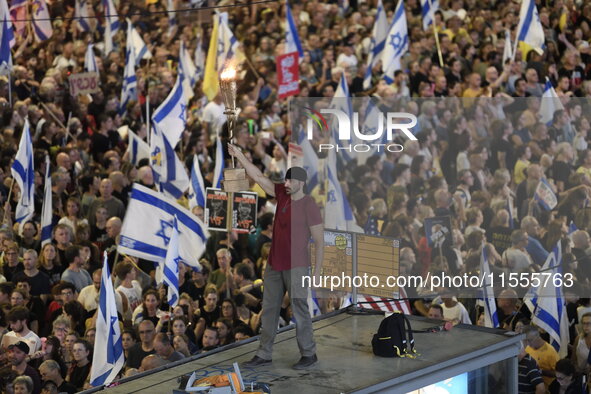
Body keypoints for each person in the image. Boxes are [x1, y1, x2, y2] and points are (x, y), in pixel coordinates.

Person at [229, 145, 324, 370]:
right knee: (269, 308)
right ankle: (264, 353)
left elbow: (320, 240)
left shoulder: (309, 205)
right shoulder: (282, 193)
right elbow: (259, 176)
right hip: (274, 264)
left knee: (300, 309)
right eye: (286, 181)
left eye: (290, 181)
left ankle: (309, 353)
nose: (286, 184)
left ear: (300, 183)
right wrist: (240, 155)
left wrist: (318, 273)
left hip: (298, 266)